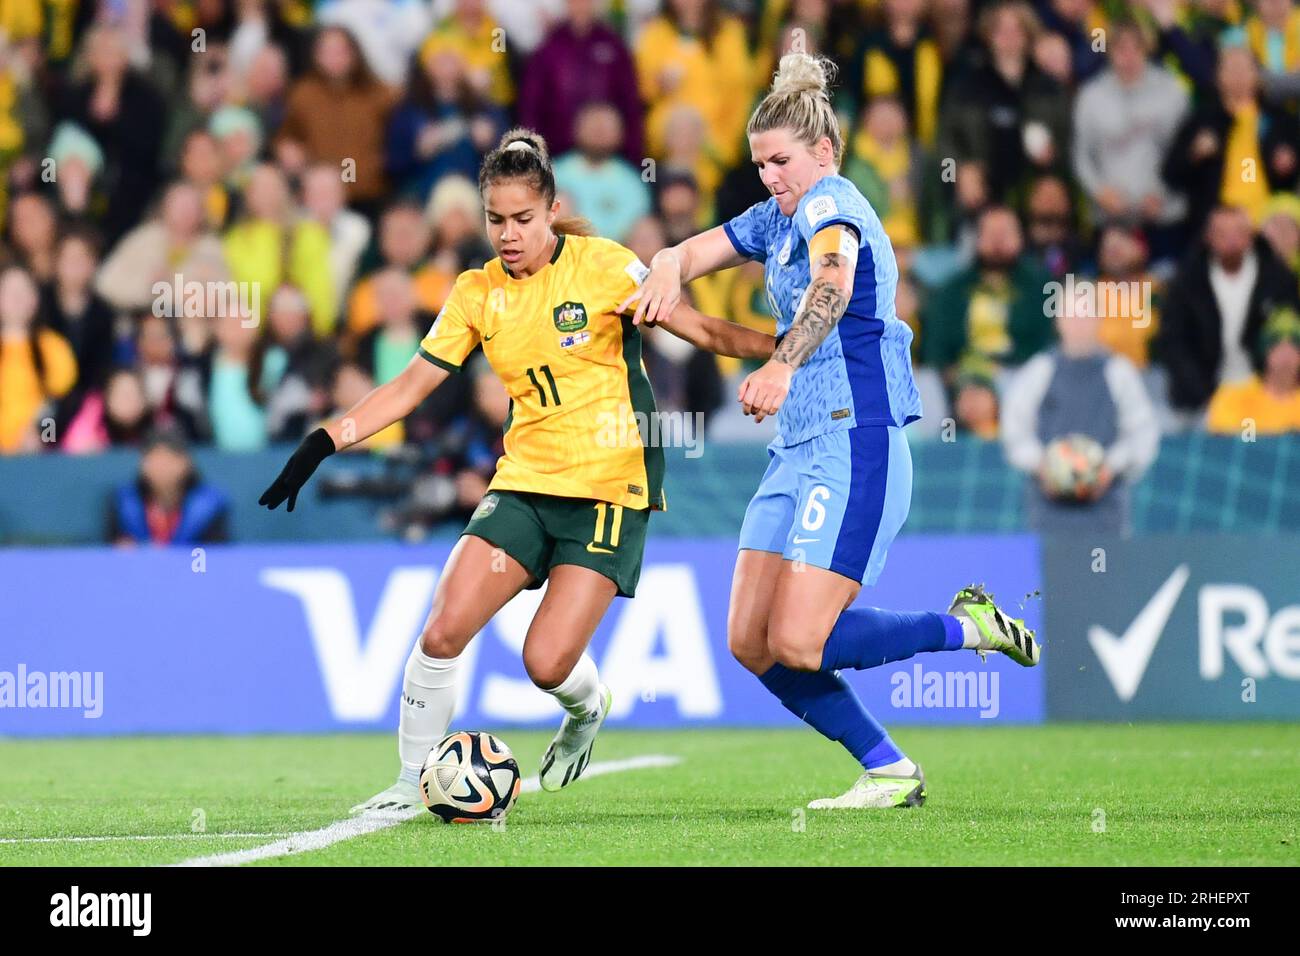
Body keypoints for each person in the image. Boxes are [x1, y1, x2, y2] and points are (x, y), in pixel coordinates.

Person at [259, 128, 775, 813]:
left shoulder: (606, 267)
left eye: (523, 220)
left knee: (545, 664)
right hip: (525, 483)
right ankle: (411, 784)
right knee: (442, 631)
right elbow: (410, 387)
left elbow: (706, 332)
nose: (508, 234)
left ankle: (587, 709)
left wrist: (791, 352)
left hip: (608, 491)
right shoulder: (476, 294)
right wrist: (325, 440)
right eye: (496, 219)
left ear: (552, 209)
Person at [631, 53, 1040, 811]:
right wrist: (662, 269)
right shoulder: (776, 216)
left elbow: (832, 284)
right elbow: (692, 254)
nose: (769, 178)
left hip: (857, 439)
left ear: (824, 152)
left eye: (779, 161)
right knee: (752, 642)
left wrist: (782, 363)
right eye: (758, 164)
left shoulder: (832, 205)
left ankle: (967, 628)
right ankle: (887, 768)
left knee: (799, 641)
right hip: (797, 448)